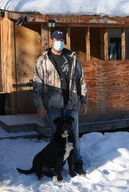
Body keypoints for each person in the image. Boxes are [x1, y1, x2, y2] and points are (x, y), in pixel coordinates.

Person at [32, 30, 88, 175]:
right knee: (56, 137)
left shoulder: (72, 58)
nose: (59, 42)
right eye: (57, 39)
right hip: (53, 106)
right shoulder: (43, 60)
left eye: (62, 39)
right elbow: (37, 85)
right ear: (51, 41)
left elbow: (81, 80)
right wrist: (39, 105)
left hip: (71, 105)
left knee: (74, 136)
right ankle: (57, 163)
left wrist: (84, 101)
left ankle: (77, 162)